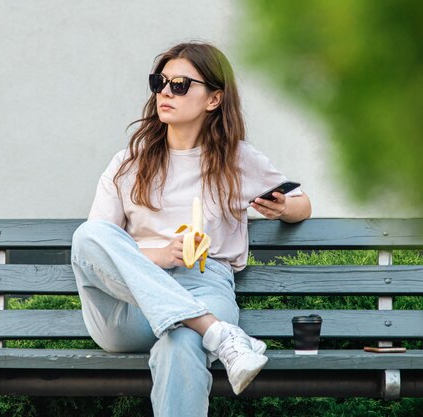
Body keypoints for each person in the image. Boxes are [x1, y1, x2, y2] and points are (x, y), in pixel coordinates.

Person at [70, 42, 312, 417]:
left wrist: (283, 208)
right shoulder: (127, 163)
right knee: (86, 236)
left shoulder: (237, 159)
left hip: (203, 284)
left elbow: (303, 204)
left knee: (182, 342)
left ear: (214, 99)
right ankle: (217, 333)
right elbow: (98, 248)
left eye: (180, 84)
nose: (165, 92)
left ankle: (202, 327)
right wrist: (159, 255)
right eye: (159, 82)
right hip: (130, 304)